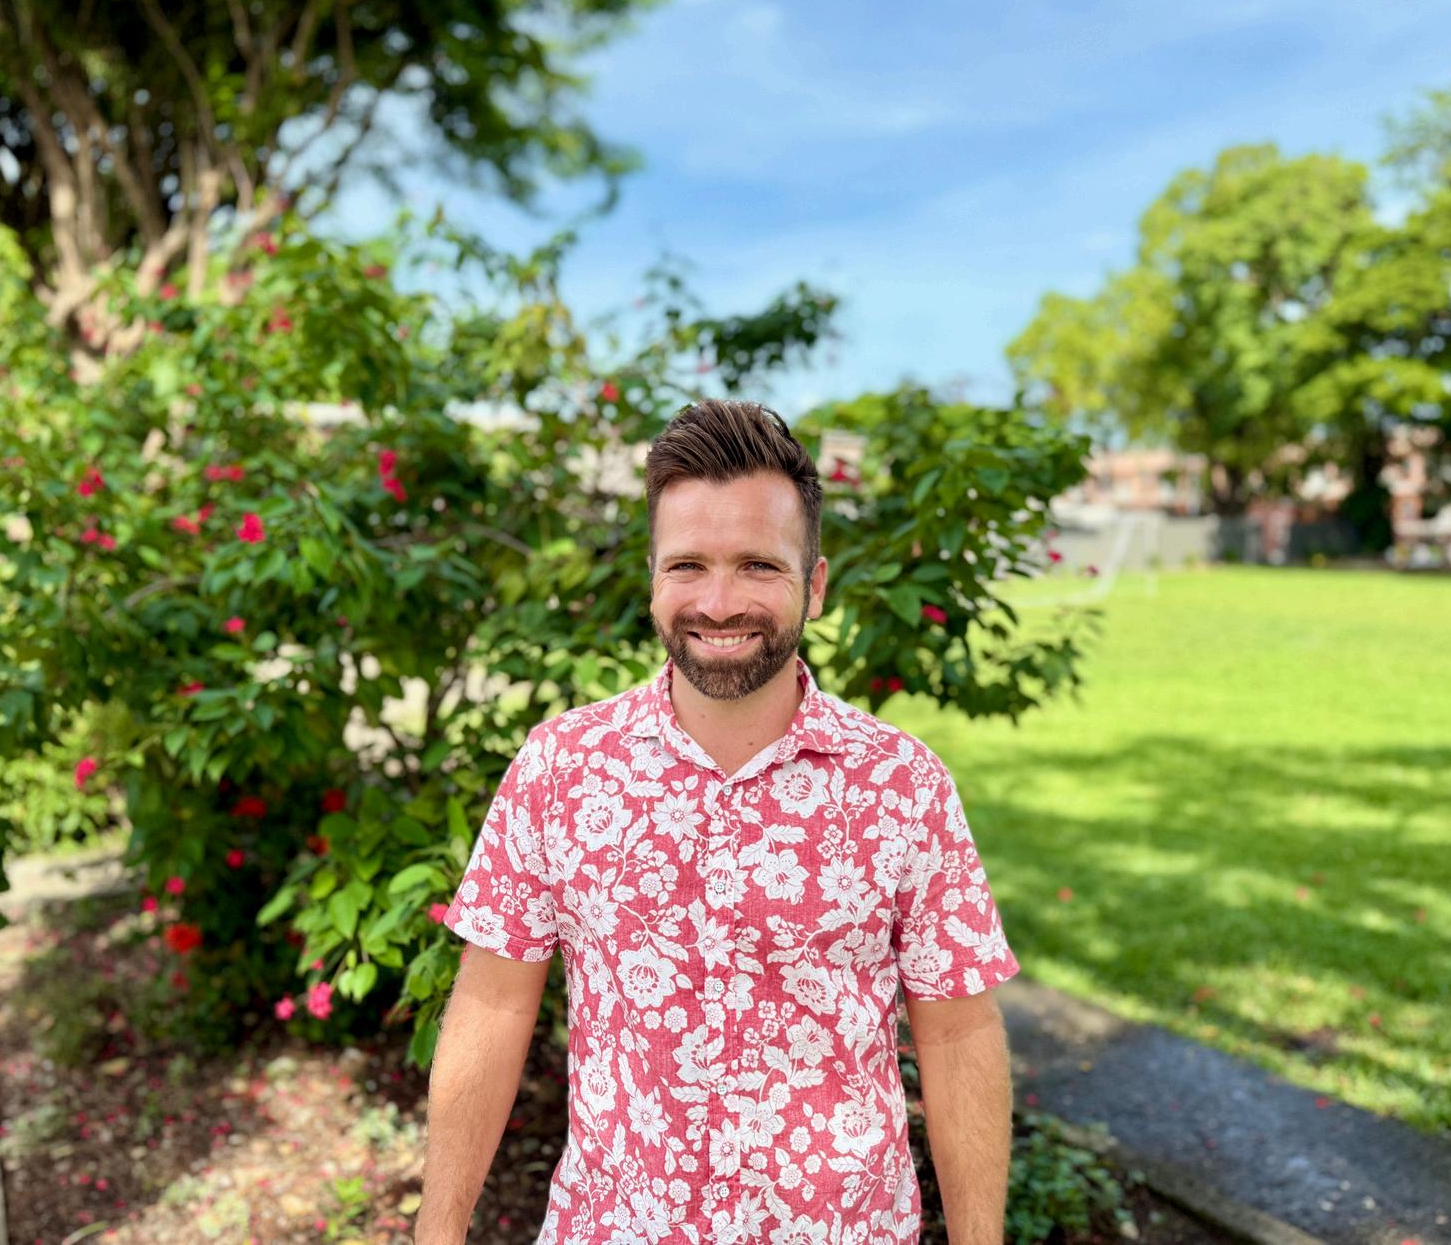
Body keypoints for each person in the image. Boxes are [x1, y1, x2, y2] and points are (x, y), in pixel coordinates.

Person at [416, 399, 1019, 1245]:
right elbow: (492, 1005)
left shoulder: (901, 785)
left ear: (815, 584)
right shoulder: (560, 768)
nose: (720, 602)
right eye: (688, 566)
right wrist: (436, 1233)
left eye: (758, 566)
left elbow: (957, 1033)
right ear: (652, 579)